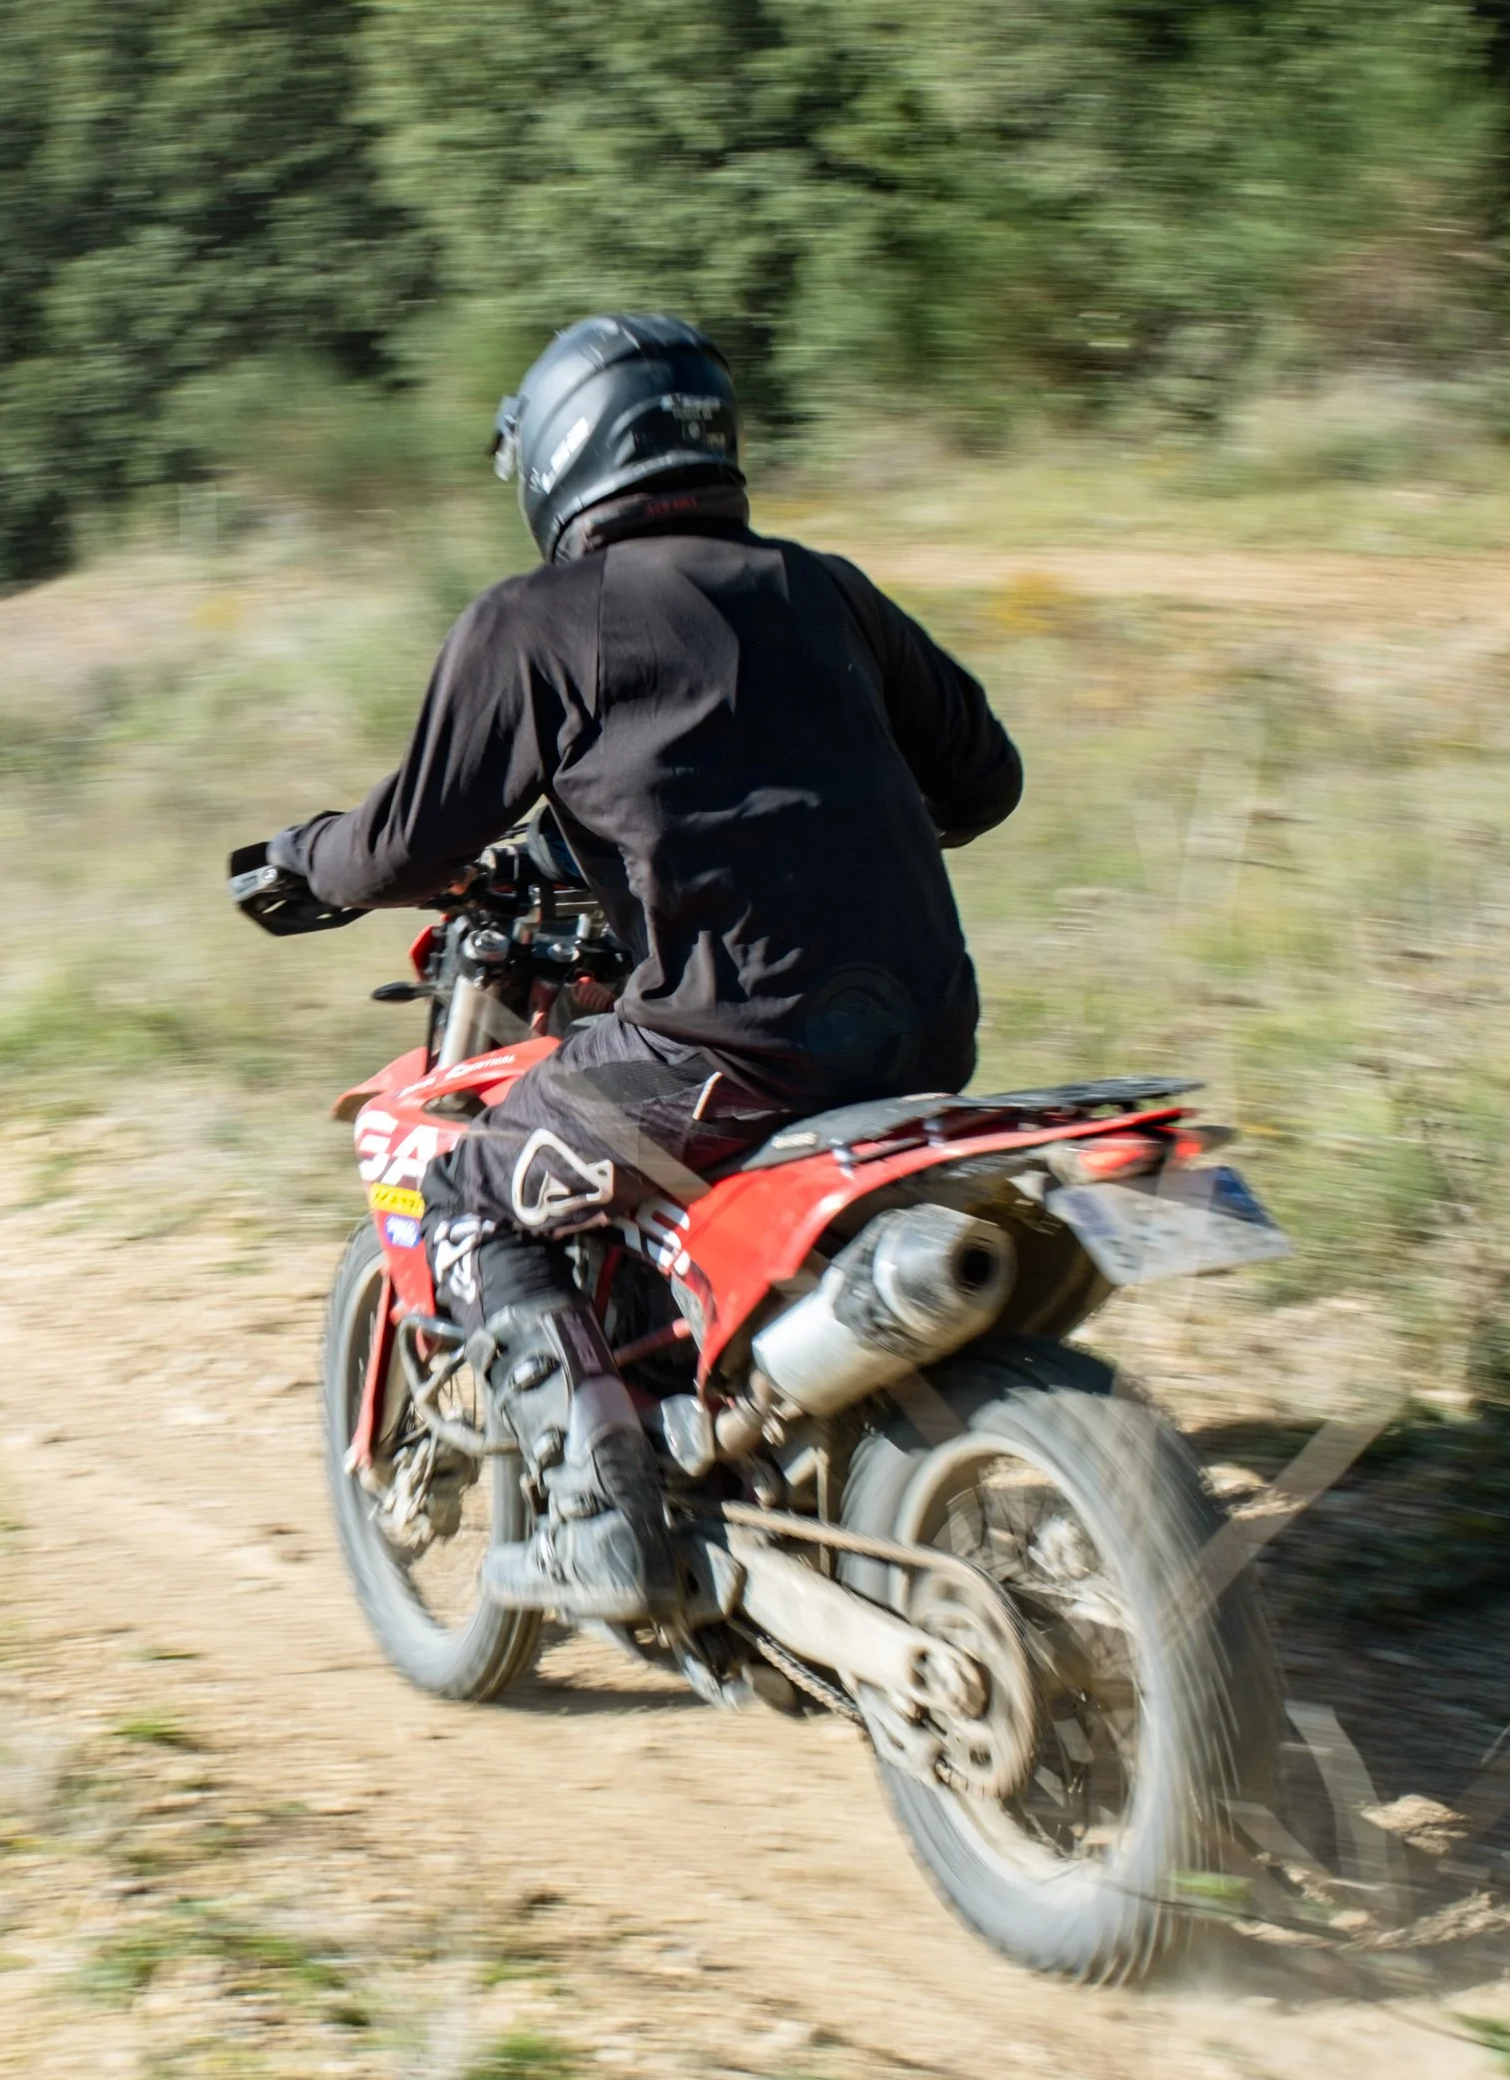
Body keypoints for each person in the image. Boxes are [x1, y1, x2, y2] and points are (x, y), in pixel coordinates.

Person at [257, 312, 1023, 1626]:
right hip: (925, 1034)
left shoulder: (540, 623)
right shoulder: (825, 588)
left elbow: (405, 840)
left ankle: (606, 1526)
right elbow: (986, 781)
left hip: (722, 1056)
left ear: (563, 455)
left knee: (473, 1192)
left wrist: (296, 862)